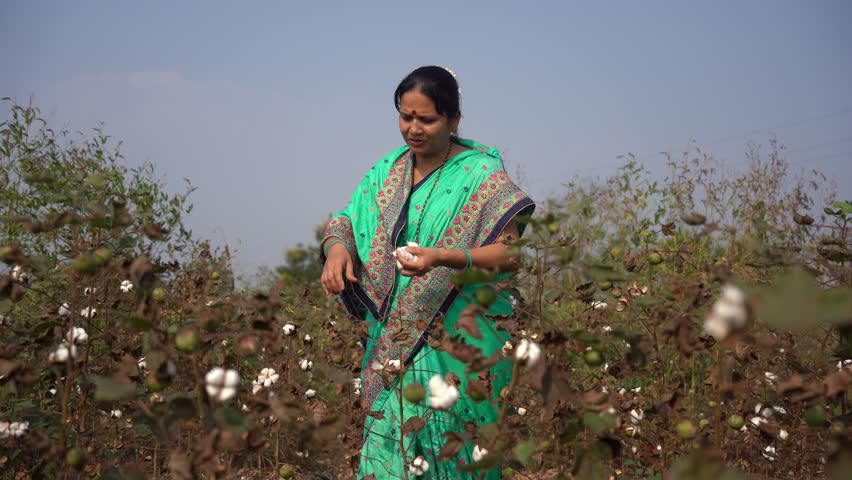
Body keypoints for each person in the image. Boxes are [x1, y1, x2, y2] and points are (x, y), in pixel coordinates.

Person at [320, 65, 535, 479]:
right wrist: (336, 252)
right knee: (387, 459)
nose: (413, 129)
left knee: (452, 458)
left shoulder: (482, 175)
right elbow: (345, 221)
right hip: (392, 349)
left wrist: (444, 257)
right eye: (406, 116)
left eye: (427, 119)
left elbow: (510, 255)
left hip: (457, 342)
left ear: (454, 120)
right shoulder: (386, 172)